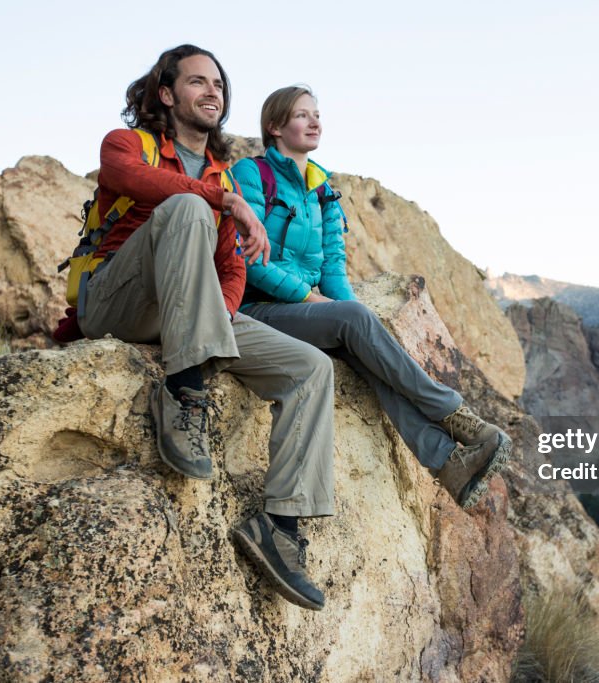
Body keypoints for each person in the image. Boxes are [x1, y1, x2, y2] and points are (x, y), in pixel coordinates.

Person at [79, 46, 333, 611]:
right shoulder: (129, 145)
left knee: (309, 368)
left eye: (218, 83)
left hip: (184, 312)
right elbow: (127, 179)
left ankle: (282, 528)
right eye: (197, 81)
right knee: (190, 211)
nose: (213, 91)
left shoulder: (223, 176)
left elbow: (233, 268)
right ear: (167, 94)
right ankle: (184, 388)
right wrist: (225, 203)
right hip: (115, 303)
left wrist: (216, 313)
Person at [230, 85, 513, 514]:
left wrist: (347, 311)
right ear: (274, 126)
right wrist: (312, 299)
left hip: (305, 312)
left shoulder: (323, 189)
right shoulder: (252, 175)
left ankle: (448, 462)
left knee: (365, 343)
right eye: (302, 115)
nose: (315, 121)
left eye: (317, 114)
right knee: (354, 324)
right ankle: (456, 416)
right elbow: (249, 261)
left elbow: (334, 272)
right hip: (257, 311)